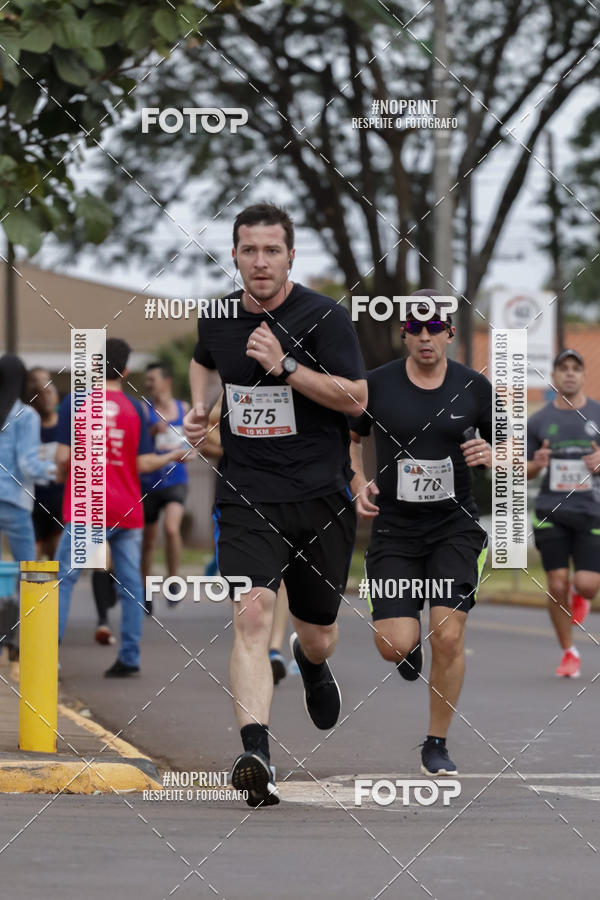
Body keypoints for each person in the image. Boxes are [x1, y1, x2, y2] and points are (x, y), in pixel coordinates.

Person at [183, 202, 367, 806]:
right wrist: (197, 408)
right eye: (248, 250)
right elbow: (203, 360)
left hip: (319, 499)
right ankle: (256, 752)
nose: (259, 261)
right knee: (252, 613)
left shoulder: (323, 318)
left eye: (271, 250)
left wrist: (286, 366)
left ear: (291, 255)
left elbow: (357, 399)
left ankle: (311, 665)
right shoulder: (216, 316)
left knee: (318, 633)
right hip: (246, 493)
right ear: (233, 255)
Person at [349, 292, 491, 777]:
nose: (426, 336)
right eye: (417, 328)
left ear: (451, 333)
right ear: (404, 333)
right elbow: (349, 436)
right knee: (393, 644)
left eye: (436, 328)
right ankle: (406, 649)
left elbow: (509, 443)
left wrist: (494, 455)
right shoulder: (376, 384)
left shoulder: (475, 386)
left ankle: (436, 742)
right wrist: (354, 478)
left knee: (448, 636)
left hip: (456, 526)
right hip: (394, 527)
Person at [55, 339, 187, 677]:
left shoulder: (76, 402)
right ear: (126, 371)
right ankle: (129, 657)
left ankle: (47, 655)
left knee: (64, 580)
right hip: (127, 508)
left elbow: (64, 457)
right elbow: (142, 462)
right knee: (130, 586)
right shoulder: (137, 409)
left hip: (87, 507)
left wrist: (61, 477)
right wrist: (172, 455)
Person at [527, 349, 600, 678]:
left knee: (586, 585)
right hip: (550, 510)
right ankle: (569, 652)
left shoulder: (598, 415)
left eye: (575, 368)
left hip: (591, 510)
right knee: (556, 584)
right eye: (563, 368)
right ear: (554, 376)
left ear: (583, 375)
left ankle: (579, 594)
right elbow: (524, 469)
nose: (569, 374)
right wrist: (535, 465)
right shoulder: (539, 421)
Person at [0, 355, 57, 657]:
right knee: (30, 573)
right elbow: (27, 463)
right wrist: (53, 471)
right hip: (14, 500)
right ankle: (23, 641)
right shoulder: (26, 416)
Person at [141, 362, 190, 613]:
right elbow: (138, 441)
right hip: (149, 482)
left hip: (176, 480)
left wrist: (188, 451)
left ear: (167, 381)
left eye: (153, 379)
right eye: (147, 380)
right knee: (148, 541)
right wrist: (152, 430)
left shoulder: (184, 408)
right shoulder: (144, 410)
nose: (149, 384)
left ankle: (173, 581)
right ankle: (146, 591)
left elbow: (194, 441)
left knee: (171, 529)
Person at [27, 368, 65, 560]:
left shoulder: (65, 428)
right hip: (32, 502)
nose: (46, 398)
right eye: (40, 394)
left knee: (56, 558)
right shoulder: (26, 427)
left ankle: (55, 591)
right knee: (30, 561)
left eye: (49, 392)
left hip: (59, 501)